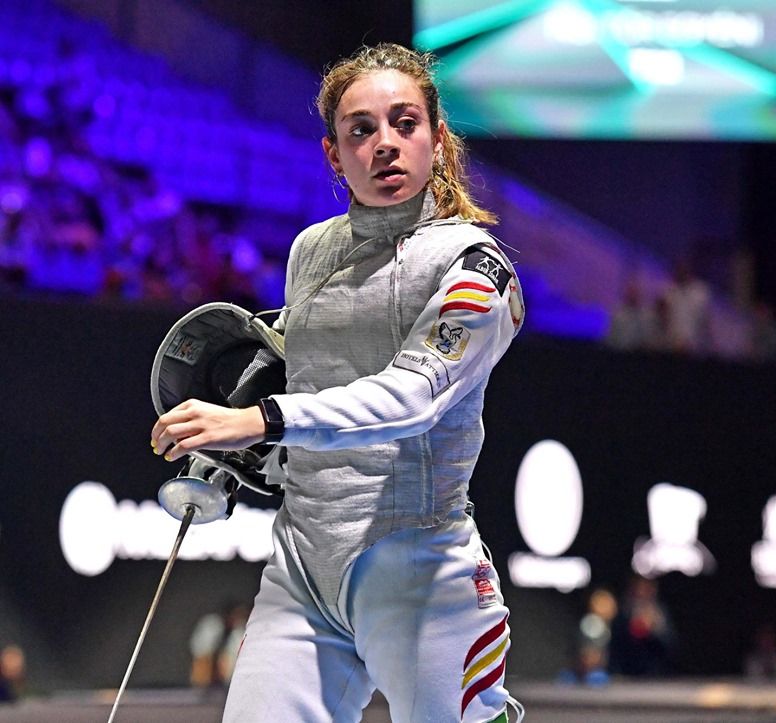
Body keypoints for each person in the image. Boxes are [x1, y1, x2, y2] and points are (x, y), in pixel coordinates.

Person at [150, 43, 525, 722]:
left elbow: (413, 396)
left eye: (404, 123)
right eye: (362, 130)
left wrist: (259, 418)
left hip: (418, 567)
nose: (385, 144)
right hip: (303, 563)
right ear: (333, 153)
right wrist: (222, 456)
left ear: (437, 140)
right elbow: (294, 361)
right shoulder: (310, 251)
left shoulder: (476, 265)